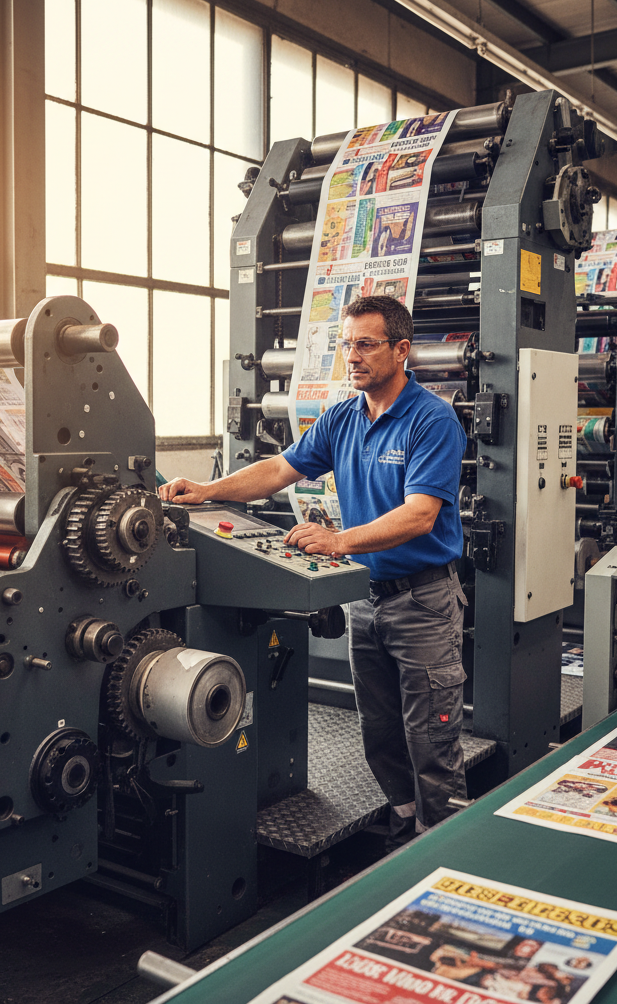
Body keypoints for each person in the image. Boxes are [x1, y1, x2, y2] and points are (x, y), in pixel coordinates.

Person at [159, 295, 467, 849]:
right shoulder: (344, 417)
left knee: (432, 739)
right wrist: (206, 491)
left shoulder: (432, 420)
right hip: (366, 599)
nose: (353, 356)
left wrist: (339, 541)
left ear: (401, 351)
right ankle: (403, 826)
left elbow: (422, 514)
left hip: (422, 602)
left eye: (366, 345)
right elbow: (279, 469)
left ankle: (440, 846)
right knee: (378, 729)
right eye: (348, 344)